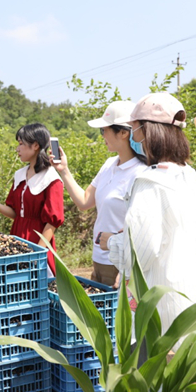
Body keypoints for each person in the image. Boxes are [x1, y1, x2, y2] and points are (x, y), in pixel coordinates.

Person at [100, 92, 196, 392]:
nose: (134, 138)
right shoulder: (191, 180)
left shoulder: (150, 184)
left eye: (135, 130)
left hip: (154, 303)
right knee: (176, 379)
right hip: (185, 296)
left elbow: (139, 252)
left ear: (148, 134)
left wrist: (110, 242)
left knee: (152, 389)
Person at [53, 102, 146, 286]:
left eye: (104, 130)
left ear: (124, 132)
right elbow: (85, 201)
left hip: (120, 263)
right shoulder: (109, 165)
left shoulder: (141, 173)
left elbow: (143, 227)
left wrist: (126, 269)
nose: (102, 136)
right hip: (99, 258)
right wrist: (64, 171)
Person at [0, 123, 64, 273]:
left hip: (38, 242)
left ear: (35, 145)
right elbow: (15, 213)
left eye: (21, 144)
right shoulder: (20, 174)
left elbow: (52, 223)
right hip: (17, 239)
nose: (17, 149)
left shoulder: (51, 177)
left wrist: (37, 254)